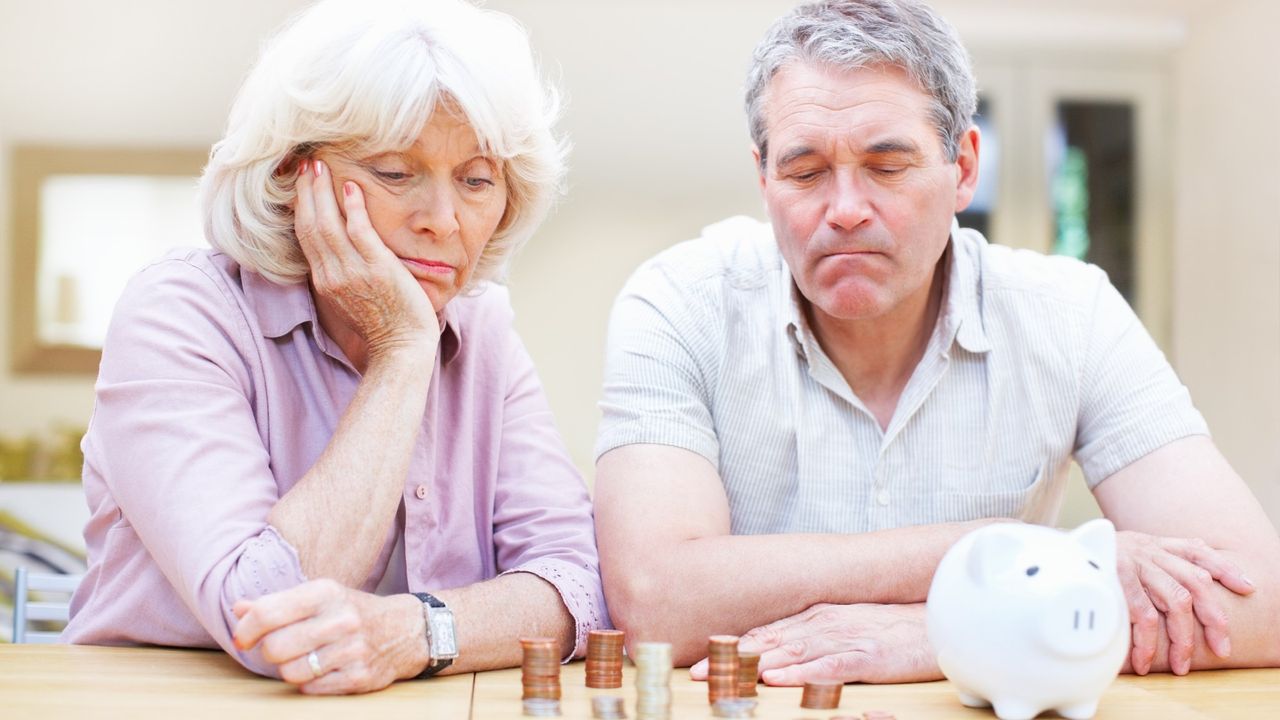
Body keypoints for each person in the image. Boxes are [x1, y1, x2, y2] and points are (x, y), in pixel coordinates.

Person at [594, 0, 1280, 686]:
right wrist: (1005, 552)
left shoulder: (1071, 317)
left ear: (964, 166)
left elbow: (1260, 601)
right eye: (805, 172)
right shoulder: (680, 304)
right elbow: (658, 601)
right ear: (764, 178)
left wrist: (945, 632)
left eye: (886, 166)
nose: (845, 209)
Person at [63, 0, 605, 695]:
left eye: (476, 180)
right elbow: (263, 617)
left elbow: (575, 586)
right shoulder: (179, 312)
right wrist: (403, 350)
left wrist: (416, 632)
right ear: (294, 175)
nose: (443, 221)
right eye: (394, 172)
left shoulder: (485, 327)